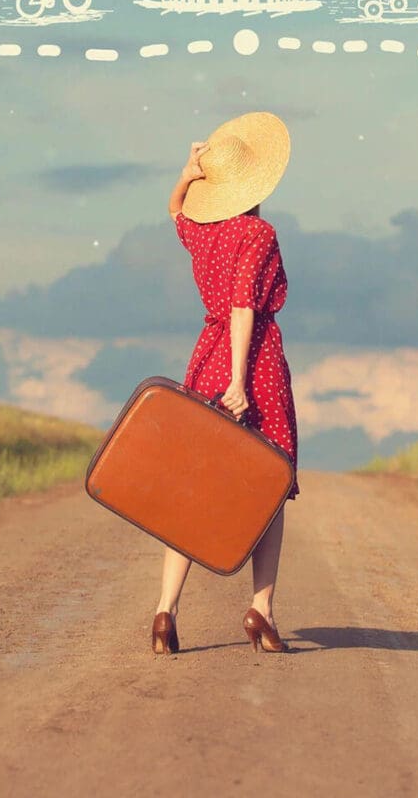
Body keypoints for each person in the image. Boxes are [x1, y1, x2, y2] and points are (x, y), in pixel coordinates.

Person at [153, 111, 298, 656]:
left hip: (204, 356)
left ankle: (165, 612)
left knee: (194, 487)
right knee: (270, 482)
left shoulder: (201, 231)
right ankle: (260, 610)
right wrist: (239, 380)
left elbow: (173, 210)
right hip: (251, 362)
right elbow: (243, 305)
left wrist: (187, 173)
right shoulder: (259, 233)